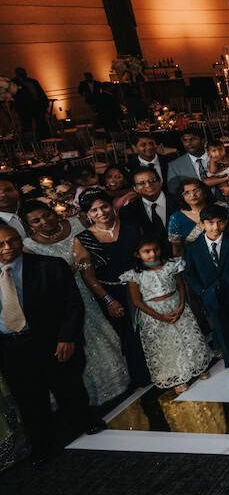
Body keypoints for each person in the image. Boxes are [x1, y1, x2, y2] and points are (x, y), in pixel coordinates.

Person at [0, 223, 103, 464]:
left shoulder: (49, 266)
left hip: (49, 340)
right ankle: (43, 447)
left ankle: (85, 421)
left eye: (13, 240)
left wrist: (67, 337)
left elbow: (72, 304)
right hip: (11, 347)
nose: (8, 247)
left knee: (67, 386)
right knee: (29, 400)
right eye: (1, 244)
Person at [20, 201, 128, 405]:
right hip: (65, 299)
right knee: (83, 341)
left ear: (53, 212)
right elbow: (37, 282)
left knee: (111, 334)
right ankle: (93, 396)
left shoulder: (77, 224)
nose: (44, 221)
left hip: (98, 286)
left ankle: (123, 381)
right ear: (30, 225)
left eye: (46, 215)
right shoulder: (29, 247)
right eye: (36, 221)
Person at [76, 190, 152, 389]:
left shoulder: (132, 226)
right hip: (113, 294)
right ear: (87, 215)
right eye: (94, 210)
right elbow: (88, 276)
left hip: (143, 286)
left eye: (104, 206)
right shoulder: (83, 239)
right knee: (129, 336)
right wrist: (109, 300)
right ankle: (143, 377)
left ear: (112, 206)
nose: (101, 212)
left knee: (152, 328)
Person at [119, 237, 210, 390]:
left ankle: (198, 368)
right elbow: (137, 301)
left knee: (188, 337)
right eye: (146, 252)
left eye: (156, 249)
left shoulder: (171, 265)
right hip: (154, 313)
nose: (153, 254)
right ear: (137, 254)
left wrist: (181, 306)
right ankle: (178, 377)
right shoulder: (134, 275)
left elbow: (181, 286)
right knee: (166, 345)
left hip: (175, 305)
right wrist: (160, 317)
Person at [183, 206, 229, 387]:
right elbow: (190, 273)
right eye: (210, 223)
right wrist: (202, 291)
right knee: (223, 333)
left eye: (219, 222)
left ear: (225, 222)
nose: (215, 227)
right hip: (211, 297)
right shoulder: (194, 247)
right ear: (202, 224)